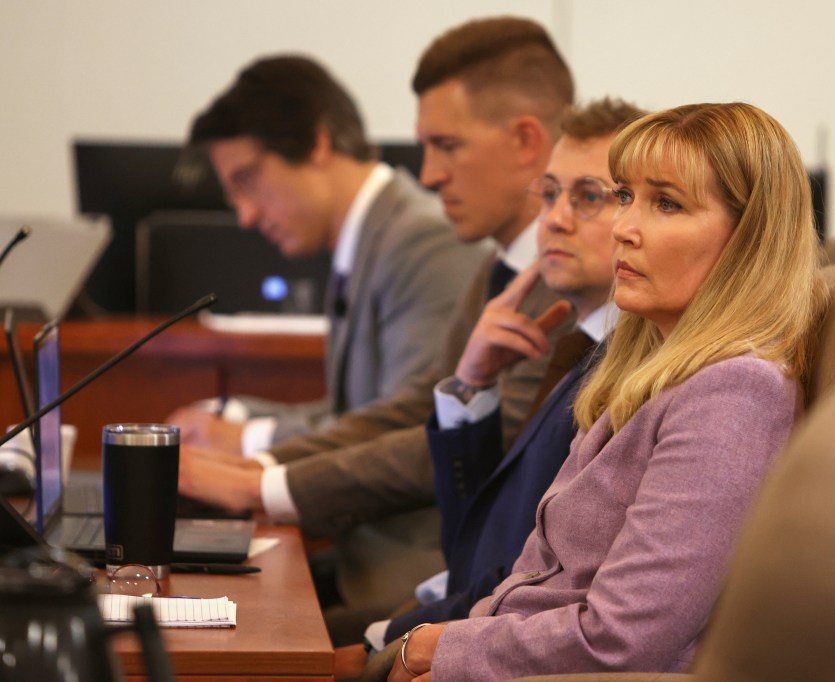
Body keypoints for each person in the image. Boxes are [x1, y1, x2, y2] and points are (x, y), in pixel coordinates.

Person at [386, 102, 829, 681]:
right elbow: (538, 581)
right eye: (625, 196)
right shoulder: (652, 368)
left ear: (751, 237)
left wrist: (436, 650)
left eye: (666, 203)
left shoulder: (735, 393)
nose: (624, 227)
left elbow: (618, 640)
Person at [177, 16, 576, 638]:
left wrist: (262, 481)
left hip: (450, 590)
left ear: (527, 142)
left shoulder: (533, 276)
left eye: (447, 145)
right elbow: (419, 409)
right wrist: (260, 470)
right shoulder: (494, 270)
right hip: (442, 586)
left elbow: (442, 443)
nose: (431, 173)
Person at [354, 98, 643, 653]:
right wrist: (472, 387)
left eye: (588, 197)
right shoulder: (576, 346)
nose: (555, 218)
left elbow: (533, 579)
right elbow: (478, 541)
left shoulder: (632, 372)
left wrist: (381, 640)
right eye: (551, 193)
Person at [167, 55, 488, 451]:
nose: (246, 216)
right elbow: (352, 413)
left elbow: (406, 429)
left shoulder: (424, 242)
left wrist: (247, 441)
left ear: (316, 144)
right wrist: (233, 416)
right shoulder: (370, 238)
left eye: (248, 180)